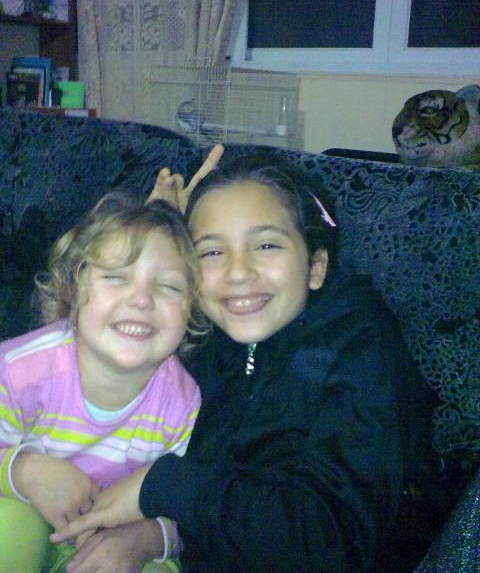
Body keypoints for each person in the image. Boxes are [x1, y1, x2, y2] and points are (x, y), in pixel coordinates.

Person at [52, 151, 430, 572]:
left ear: (315, 266)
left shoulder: (362, 349)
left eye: (266, 245)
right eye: (212, 252)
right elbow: (70, 372)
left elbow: (332, 541)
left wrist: (162, 486)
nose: (238, 272)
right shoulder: (209, 335)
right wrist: (150, 253)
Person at [0, 192, 205, 573]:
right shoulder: (20, 370)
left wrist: (147, 538)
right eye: (115, 276)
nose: (141, 299)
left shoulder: (183, 405)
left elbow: (193, 510)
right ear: (73, 287)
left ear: (191, 309)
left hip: (117, 545)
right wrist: (23, 471)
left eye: (169, 286)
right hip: (23, 515)